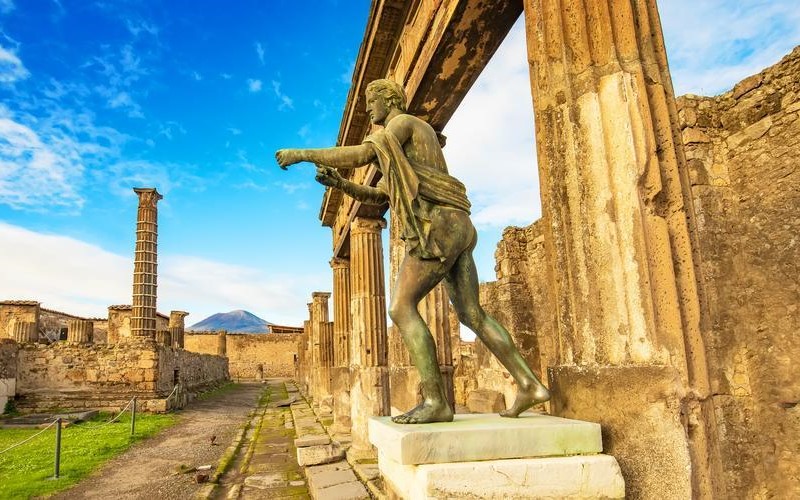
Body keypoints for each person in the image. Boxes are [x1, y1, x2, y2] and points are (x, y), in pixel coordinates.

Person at [276, 79, 550, 424]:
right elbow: (381, 196)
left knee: (401, 307)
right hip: (460, 226)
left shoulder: (402, 124)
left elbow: (360, 155)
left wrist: (301, 155)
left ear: (390, 99)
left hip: (437, 225)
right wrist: (341, 184)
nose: (368, 108)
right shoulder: (407, 148)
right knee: (472, 314)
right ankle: (529, 383)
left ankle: (436, 400)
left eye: (372, 100)